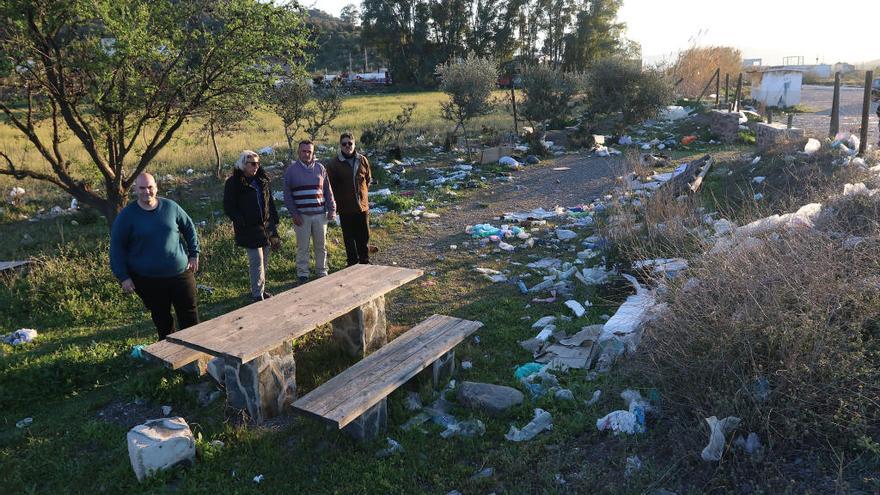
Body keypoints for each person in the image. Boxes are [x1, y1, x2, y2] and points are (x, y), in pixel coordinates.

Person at [110, 172, 200, 339]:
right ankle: (169, 355)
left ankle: (195, 352)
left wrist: (194, 253)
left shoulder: (170, 207)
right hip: (149, 279)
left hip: (180, 273)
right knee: (162, 318)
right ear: (136, 189)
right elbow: (116, 248)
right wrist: (123, 276)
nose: (147, 191)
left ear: (156, 188)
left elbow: (189, 227)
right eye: (142, 188)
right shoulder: (127, 216)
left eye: (150, 187)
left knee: (189, 313)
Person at [224, 150, 281, 302]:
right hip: (249, 227)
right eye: (252, 164)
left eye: (258, 163)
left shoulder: (262, 180)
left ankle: (261, 289)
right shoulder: (234, 182)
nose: (256, 166)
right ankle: (257, 294)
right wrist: (240, 220)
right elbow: (228, 206)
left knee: (265, 259)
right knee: (256, 260)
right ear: (244, 164)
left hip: (266, 225)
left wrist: (275, 220)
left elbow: (270, 202)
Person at [282, 140, 336, 283]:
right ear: (298, 152)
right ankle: (303, 274)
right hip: (302, 217)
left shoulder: (320, 168)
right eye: (303, 151)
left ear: (313, 153)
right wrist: (294, 214)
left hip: (320, 215)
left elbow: (327, 191)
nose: (306, 154)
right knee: (302, 247)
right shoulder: (291, 171)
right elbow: (287, 195)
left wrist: (332, 209)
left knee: (321, 246)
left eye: (309, 151)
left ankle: (321, 271)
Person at [326, 132, 373, 266]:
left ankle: (364, 260)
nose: (347, 146)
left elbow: (367, 179)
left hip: (362, 206)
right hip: (345, 207)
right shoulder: (333, 164)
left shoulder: (362, 160)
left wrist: (362, 195)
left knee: (364, 235)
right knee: (349, 237)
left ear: (354, 144)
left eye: (350, 143)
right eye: (344, 144)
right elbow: (330, 186)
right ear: (340, 146)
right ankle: (352, 262)